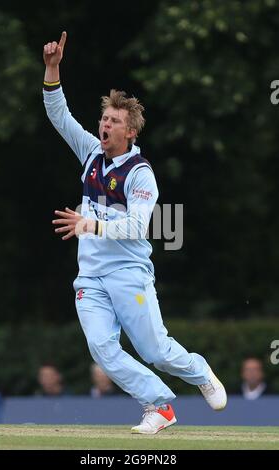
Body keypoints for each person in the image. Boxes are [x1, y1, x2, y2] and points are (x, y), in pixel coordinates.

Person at [43, 31, 227, 434]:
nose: (105, 124)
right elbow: (60, 116)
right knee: (102, 348)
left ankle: (198, 371)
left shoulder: (140, 173)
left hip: (129, 272)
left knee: (154, 350)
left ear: (130, 133)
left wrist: (89, 223)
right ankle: (159, 405)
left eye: (115, 121)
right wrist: (53, 69)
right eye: (104, 118)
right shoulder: (91, 152)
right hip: (91, 275)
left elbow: (138, 226)